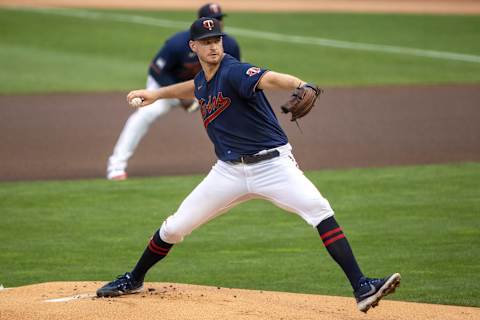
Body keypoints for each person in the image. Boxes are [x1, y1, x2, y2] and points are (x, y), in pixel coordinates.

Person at [97, 17, 401, 313]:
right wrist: (156, 93)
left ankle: (362, 287)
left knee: (320, 210)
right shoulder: (204, 80)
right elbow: (192, 87)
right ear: (194, 46)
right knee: (175, 227)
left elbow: (268, 78)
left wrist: (300, 83)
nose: (214, 46)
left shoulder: (234, 71)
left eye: (217, 40)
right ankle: (134, 279)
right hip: (228, 172)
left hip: (274, 167)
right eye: (206, 42)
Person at [106, 3, 241, 180]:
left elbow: (232, 75)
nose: (216, 23)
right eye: (212, 19)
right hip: (164, 87)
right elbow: (157, 70)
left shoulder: (229, 45)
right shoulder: (177, 43)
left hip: (203, 89)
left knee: (231, 115)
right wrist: (179, 97)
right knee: (145, 115)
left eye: (219, 19)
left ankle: (239, 160)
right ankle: (116, 165)